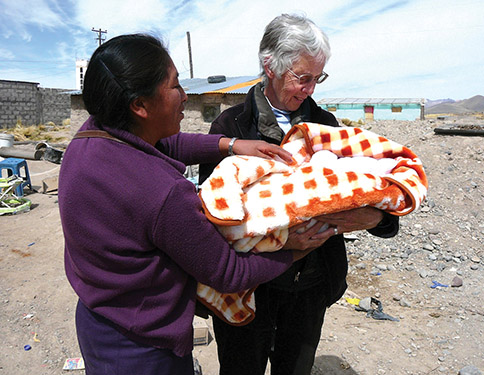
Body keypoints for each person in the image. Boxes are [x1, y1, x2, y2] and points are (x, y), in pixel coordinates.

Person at [58, 33, 335, 375]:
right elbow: (227, 272)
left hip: (98, 321)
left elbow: (163, 144)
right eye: (175, 86)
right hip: (145, 348)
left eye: (315, 79)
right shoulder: (164, 193)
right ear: (140, 106)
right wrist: (292, 248)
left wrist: (231, 145)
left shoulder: (89, 139)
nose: (185, 96)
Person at [199, 14, 400, 375]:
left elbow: (372, 191)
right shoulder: (231, 128)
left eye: (317, 78)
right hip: (251, 286)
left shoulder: (328, 127)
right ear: (270, 66)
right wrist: (282, 240)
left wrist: (377, 218)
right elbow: (215, 218)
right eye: (302, 78)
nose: (309, 89)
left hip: (310, 286)